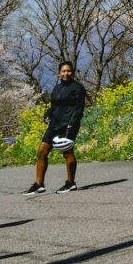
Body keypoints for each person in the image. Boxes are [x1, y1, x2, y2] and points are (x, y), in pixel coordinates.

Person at [25, 61, 86, 195]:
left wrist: (72, 123)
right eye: (63, 71)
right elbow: (54, 106)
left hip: (68, 125)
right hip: (54, 125)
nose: (66, 73)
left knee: (67, 153)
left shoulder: (78, 88)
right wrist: (47, 114)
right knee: (42, 152)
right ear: (59, 73)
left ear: (72, 72)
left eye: (68, 71)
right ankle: (38, 184)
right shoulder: (57, 88)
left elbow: (79, 108)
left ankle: (71, 183)